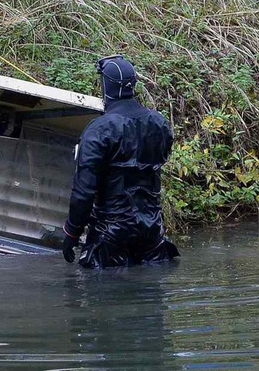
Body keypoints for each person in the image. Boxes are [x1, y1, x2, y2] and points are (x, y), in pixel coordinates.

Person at [62, 56, 180, 268]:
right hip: (151, 231)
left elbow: (84, 192)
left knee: (103, 293)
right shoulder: (159, 123)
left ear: (105, 86)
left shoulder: (98, 130)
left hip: (111, 233)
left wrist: (71, 232)